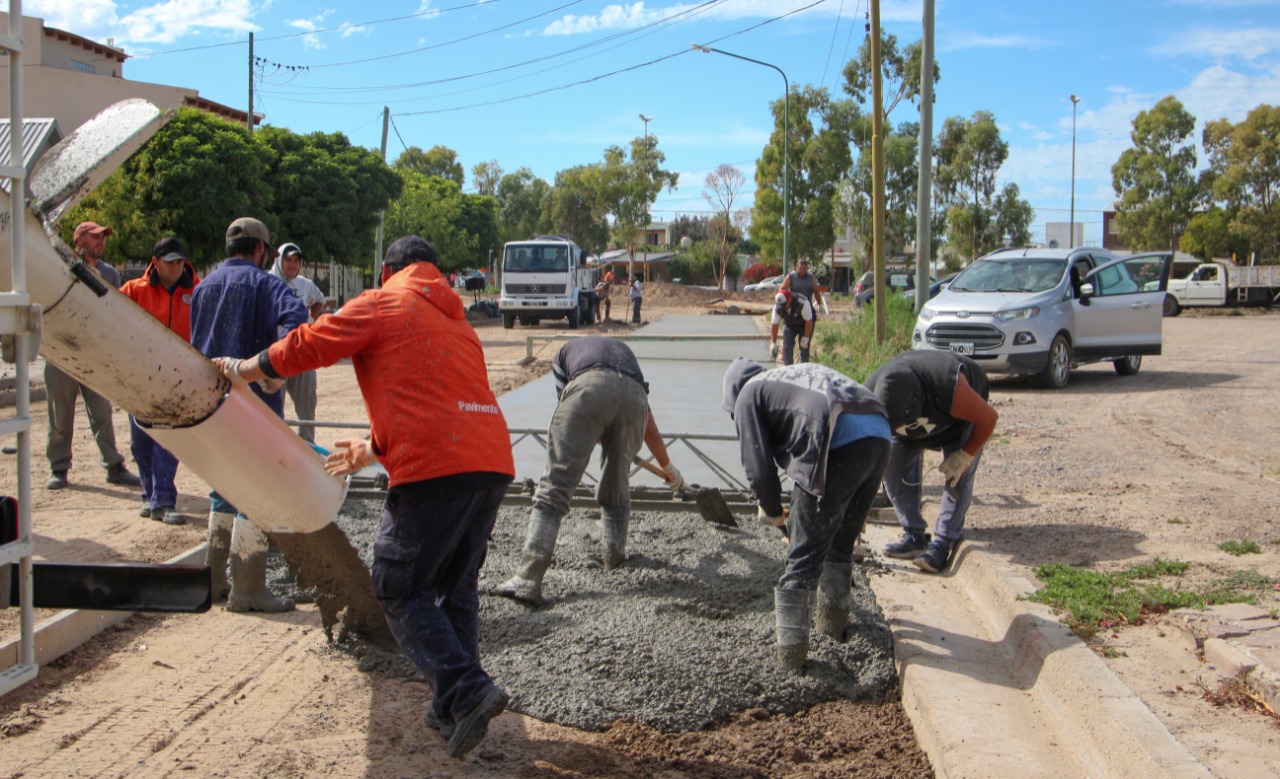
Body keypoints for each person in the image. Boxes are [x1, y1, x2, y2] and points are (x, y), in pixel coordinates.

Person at [213, 235, 515, 760]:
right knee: (454, 589)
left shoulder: (383, 300)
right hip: (490, 459)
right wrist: (372, 449)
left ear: (384, 271)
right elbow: (440, 400)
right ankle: (453, 704)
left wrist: (246, 369)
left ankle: (466, 691)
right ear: (436, 271)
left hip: (435, 467)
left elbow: (310, 343)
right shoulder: (456, 321)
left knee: (397, 587)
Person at [721, 358, 890, 672]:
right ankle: (834, 629)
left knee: (802, 559)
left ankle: (790, 661)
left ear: (732, 394)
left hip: (836, 439)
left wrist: (771, 511)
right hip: (879, 432)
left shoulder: (747, 395)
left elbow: (758, 469)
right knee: (839, 545)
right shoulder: (789, 377)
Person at [492, 335, 686, 605]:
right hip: (633, 401)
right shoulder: (625, 358)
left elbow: (568, 402)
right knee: (616, 485)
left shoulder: (563, 355)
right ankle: (614, 557)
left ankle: (527, 578)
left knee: (556, 486)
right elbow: (647, 418)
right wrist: (668, 467)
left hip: (587, 391)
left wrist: (593, 427)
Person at [190, 217, 309, 613]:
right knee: (256, 491)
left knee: (223, 486)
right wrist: (273, 370)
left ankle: (210, 582)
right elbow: (297, 326)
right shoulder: (269, 285)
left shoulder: (204, 287)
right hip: (255, 406)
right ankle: (249, 587)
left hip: (211, 408)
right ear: (261, 250)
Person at [865, 351, 999, 574]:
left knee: (958, 477)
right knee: (890, 466)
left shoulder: (947, 385)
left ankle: (942, 543)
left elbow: (988, 418)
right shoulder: (869, 396)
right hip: (911, 432)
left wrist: (965, 455)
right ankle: (914, 535)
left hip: (958, 423)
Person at [44, 221, 142, 491]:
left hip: (95, 355)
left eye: (103, 237)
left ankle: (113, 466)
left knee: (102, 412)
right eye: (95, 237)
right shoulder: (61, 265)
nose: (101, 241)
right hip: (62, 352)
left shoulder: (109, 273)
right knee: (59, 416)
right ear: (79, 240)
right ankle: (59, 468)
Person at [120, 237, 199, 525]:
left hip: (178, 377)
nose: (177, 267)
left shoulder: (196, 290)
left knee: (167, 438)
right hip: (140, 375)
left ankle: (164, 500)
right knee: (140, 440)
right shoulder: (133, 290)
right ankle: (149, 494)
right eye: (170, 262)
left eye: (180, 261)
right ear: (155, 262)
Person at [269, 242, 326, 444]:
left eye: (296, 260)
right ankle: (274, 448)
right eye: (288, 259)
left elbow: (320, 299)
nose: (292, 264)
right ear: (278, 260)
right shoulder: (267, 282)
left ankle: (308, 446)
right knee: (273, 406)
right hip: (275, 353)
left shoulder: (304, 284)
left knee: (307, 405)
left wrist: (311, 319)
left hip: (302, 351)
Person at [769, 289, 815, 365]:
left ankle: (804, 368)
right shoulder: (777, 308)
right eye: (781, 305)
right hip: (789, 324)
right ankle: (788, 369)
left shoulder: (802, 303)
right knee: (787, 345)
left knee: (804, 347)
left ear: (789, 299)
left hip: (804, 325)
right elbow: (774, 324)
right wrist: (773, 343)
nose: (783, 307)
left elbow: (809, 322)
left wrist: (806, 338)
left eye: (784, 304)